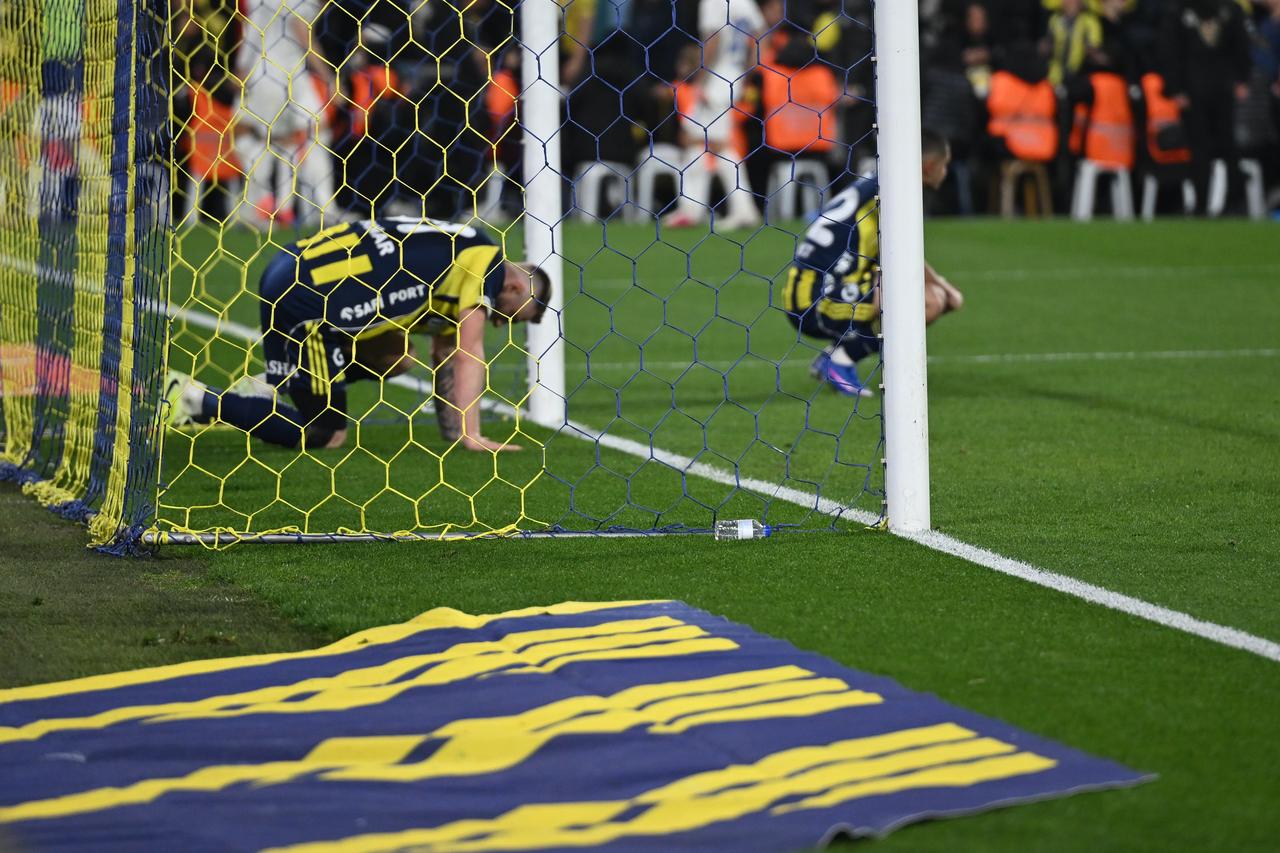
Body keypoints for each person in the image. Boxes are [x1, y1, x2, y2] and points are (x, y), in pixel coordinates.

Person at [166, 217, 551, 453]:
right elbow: (470, 353)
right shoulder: (488, 269)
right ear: (516, 289)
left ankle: (273, 383)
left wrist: (454, 433)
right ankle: (195, 399)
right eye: (511, 317)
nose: (501, 324)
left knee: (396, 358)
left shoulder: (469, 247)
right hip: (309, 304)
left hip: (293, 262)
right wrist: (473, 434)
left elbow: (446, 352)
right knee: (324, 433)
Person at [782, 131, 963, 397]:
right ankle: (840, 361)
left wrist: (942, 285)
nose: (946, 171)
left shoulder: (879, 184)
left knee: (923, 295)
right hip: (813, 299)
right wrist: (943, 289)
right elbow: (904, 257)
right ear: (929, 166)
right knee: (927, 301)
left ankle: (832, 357)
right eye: (945, 164)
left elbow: (900, 255)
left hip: (823, 286)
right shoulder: (892, 195)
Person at [663, 0, 765, 230]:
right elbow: (761, 35)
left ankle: (722, 209)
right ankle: (699, 208)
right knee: (708, 145)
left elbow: (713, 38)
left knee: (706, 142)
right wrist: (749, 71)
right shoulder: (745, 3)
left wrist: (701, 77)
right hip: (735, 77)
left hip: (716, 80)